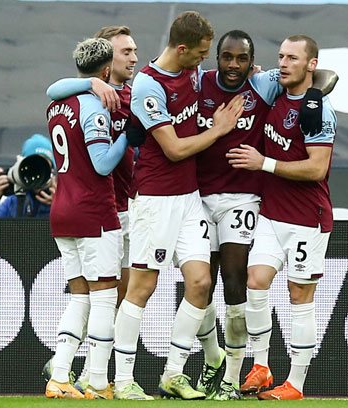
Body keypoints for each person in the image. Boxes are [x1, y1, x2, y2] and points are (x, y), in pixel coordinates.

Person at [194, 30, 338, 400]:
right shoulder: (272, 94)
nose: (284, 64)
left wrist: (265, 164)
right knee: (255, 282)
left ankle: (296, 383)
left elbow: (317, 169)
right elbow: (316, 79)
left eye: (293, 58)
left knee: (299, 295)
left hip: (308, 216)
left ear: (311, 64)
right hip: (272, 214)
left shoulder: (319, 111)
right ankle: (261, 365)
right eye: (282, 57)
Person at [113, 11, 243, 400]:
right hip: (155, 199)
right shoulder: (149, 86)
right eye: (201, 54)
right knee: (142, 287)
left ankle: (173, 373)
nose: (204, 62)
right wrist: (218, 129)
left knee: (201, 283)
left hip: (189, 199)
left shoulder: (189, 72)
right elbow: (174, 148)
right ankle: (122, 380)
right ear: (182, 48)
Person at [43, 25, 151, 400]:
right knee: (106, 298)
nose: (132, 58)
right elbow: (103, 164)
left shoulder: (58, 104)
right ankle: (98, 381)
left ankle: (59, 373)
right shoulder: (95, 106)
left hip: (63, 211)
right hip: (95, 211)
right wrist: (128, 137)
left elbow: (54, 91)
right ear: (106, 70)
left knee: (81, 297)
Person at [0, 134, 56, 218]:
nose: (38, 172)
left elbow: (70, 228)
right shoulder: (14, 201)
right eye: (33, 166)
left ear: (52, 171)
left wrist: (58, 206)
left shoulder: (62, 198)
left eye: (43, 167)